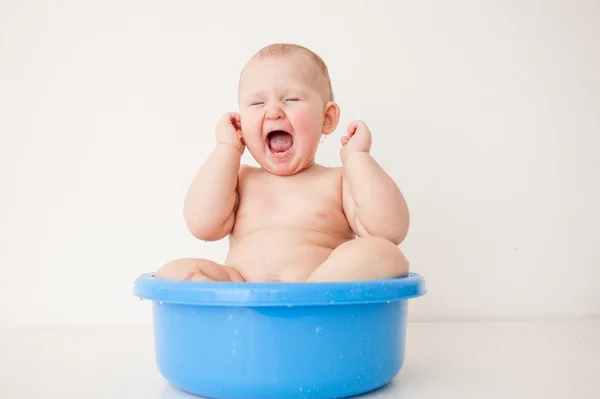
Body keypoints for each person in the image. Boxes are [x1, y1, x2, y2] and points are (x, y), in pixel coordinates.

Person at [154, 43, 410, 283]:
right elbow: (202, 225)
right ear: (240, 123)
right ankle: (223, 310)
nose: (274, 111)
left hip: (322, 294)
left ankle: (309, 299)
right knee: (173, 271)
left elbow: (390, 230)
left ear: (327, 118)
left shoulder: (339, 181)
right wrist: (227, 149)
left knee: (385, 252)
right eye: (257, 103)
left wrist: (358, 157)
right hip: (244, 291)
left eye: (291, 99)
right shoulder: (239, 179)